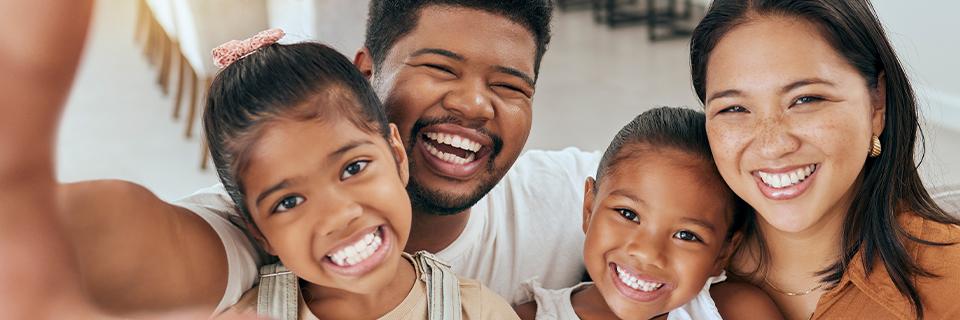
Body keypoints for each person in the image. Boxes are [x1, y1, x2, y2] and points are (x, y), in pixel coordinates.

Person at [57, 0, 599, 315]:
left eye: (509, 85)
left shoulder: (584, 199)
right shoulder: (247, 244)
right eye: (440, 68)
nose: (474, 103)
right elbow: (122, 237)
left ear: (391, 151)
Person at [199, 30, 516, 319]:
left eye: (353, 168)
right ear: (259, 232)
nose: (338, 216)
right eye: (289, 201)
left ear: (396, 155)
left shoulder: (479, 313)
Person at [690, 0, 960, 319]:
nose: (773, 145)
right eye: (733, 109)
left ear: (876, 105)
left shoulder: (952, 282)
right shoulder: (668, 274)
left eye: (806, 99)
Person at [514, 107, 782, 320]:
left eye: (687, 235)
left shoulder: (736, 311)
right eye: (628, 215)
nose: (648, 252)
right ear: (589, 208)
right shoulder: (527, 317)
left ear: (724, 251)